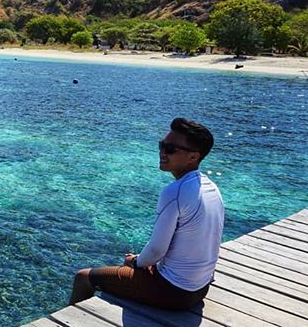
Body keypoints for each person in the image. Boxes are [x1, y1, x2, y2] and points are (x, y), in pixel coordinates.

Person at [68, 118, 224, 310]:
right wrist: (143, 261)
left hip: (174, 292)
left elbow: (157, 251)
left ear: (193, 157)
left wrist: (135, 261)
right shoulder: (211, 188)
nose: (162, 152)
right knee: (137, 266)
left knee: (83, 277)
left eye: (171, 149)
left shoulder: (174, 191)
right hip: (200, 288)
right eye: (162, 145)